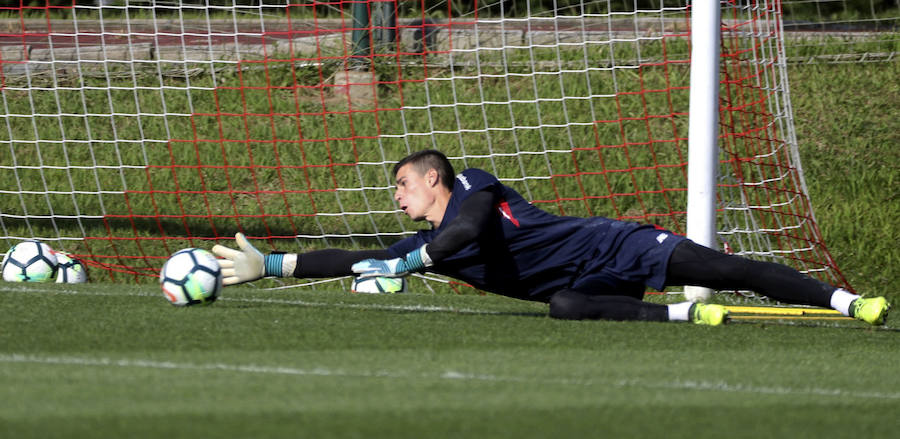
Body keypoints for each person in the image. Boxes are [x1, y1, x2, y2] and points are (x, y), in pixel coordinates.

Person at [212, 149, 890, 326]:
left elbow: (466, 231)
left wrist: (415, 259)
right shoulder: (427, 245)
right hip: (586, 283)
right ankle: (684, 315)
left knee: (729, 269)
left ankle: (847, 302)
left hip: (618, 244)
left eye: (402, 185)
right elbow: (354, 258)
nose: (396, 196)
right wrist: (271, 264)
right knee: (565, 307)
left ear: (433, 177)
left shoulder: (474, 188)